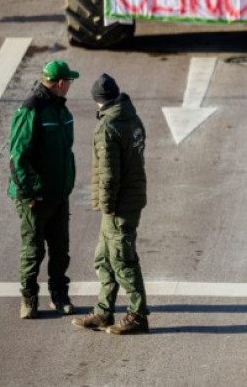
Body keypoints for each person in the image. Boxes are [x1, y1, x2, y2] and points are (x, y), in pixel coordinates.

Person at [72, 73, 150, 334]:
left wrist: (107, 205)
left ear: (98, 100)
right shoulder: (132, 117)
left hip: (119, 204)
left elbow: (108, 173)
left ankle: (138, 315)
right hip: (130, 197)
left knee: (122, 260)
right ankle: (103, 312)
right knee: (104, 258)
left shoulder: (108, 127)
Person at [8, 60, 79, 319]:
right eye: (69, 81)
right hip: (36, 197)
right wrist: (27, 194)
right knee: (33, 250)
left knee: (60, 249)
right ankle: (29, 298)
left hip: (59, 195)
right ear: (60, 83)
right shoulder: (32, 110)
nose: (70, 85)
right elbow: (17, 157)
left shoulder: (60, 110)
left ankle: (59, 295)